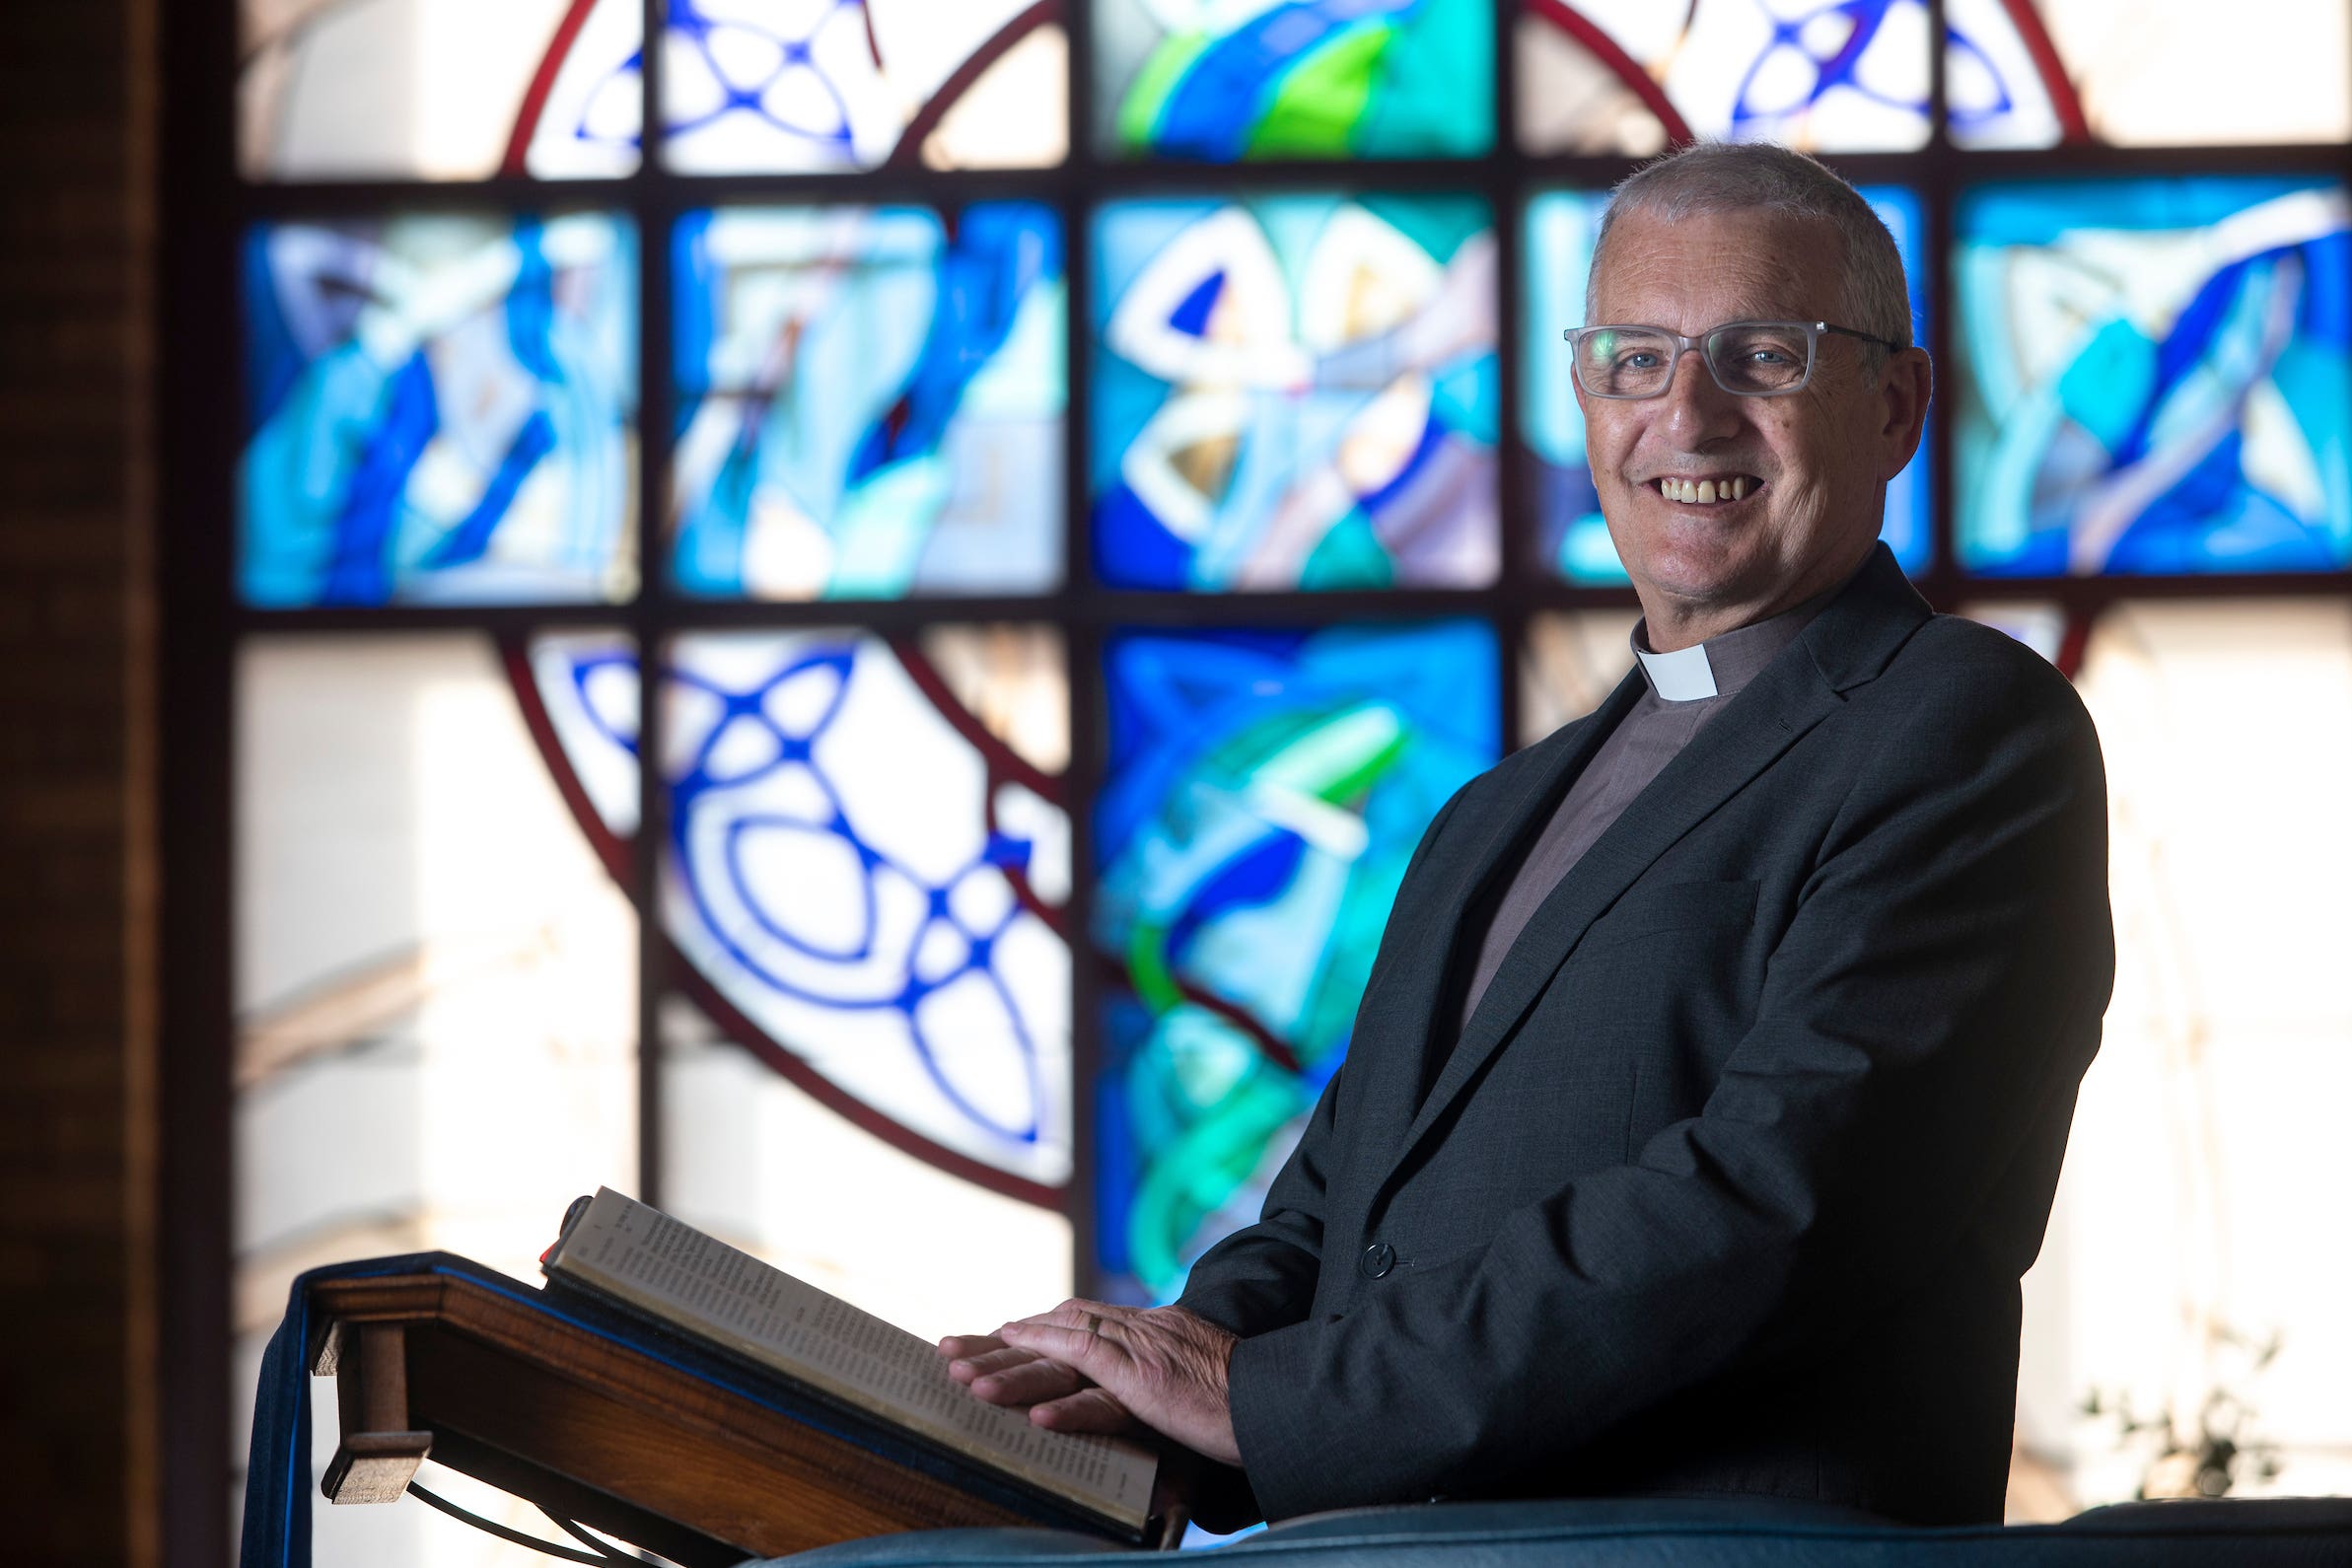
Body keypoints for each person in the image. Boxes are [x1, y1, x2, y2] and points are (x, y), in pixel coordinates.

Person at [938, 143, 2114, 1531]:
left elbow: (1775, 1203)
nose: (1685, 415)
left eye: (1761, 358)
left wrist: (1265, 1402)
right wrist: (1125, 1387)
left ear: (1897, 404)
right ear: (1579, 391)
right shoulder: (1492, 811)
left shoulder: (1961, 728)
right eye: (1634, 357)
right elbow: (1328, 1214)